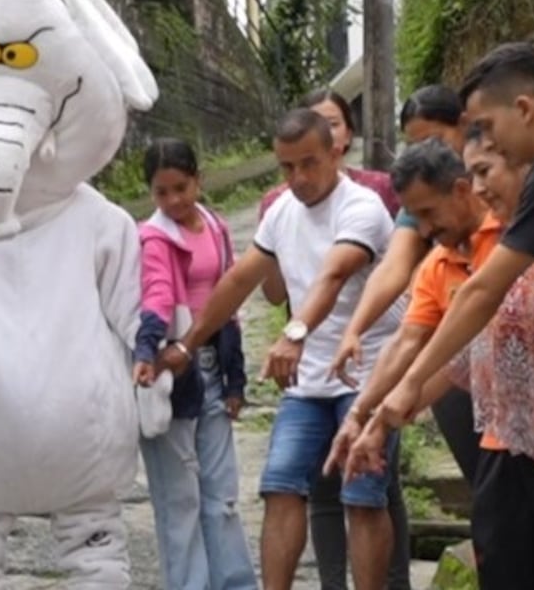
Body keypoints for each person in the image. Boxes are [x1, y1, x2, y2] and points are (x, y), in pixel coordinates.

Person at [370, 42, 534, 564]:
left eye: (486, 125)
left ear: (523, 109)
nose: (482, 146)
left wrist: (409, 383)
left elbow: (483, 293)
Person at [333, 135, 534, 588]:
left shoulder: (527, 239)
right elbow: (430, 349)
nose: (423, 230)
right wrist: (370, 417)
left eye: (428, 213)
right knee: (503, 566)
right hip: (505, 440)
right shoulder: (437, 265)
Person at [173, 109, 404, 590]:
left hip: (368, 374)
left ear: (336, 153)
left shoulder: (360, 207)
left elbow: (335, 273)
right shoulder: (281, 211)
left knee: (362, 497)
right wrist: (187, 345)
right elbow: (239, 279)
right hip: (308, 384)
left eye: (308, 163)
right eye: (287, 167)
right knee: (279, 486)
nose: (297, 178)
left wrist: (294, 333)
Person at [332, 85, 481, 488]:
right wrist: (355, 330)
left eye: (434, 139)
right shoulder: (436, 248)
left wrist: (387, 410)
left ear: (465, 127)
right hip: (453, 371)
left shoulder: (509, 221)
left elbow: (481, 319)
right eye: (414, 144)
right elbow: (396, 275)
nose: (427, 228)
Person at [132, 138, 255, 590]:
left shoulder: (216, 227)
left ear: (198, 180)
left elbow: (231, 300)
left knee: (222, 494)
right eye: (162, 193)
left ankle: (235, 582)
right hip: (172, 371)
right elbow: (158, 293)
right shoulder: (155, 237)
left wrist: (235, 379)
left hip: (211, 365)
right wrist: (147, 350)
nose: (174, 201)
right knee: (179, 498)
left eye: (181, 188)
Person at [259, 88, 401, 218]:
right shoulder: (276, 203)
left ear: (349, 134)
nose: (325, 132)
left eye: (333, 124)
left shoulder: (382, 188)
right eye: (314, 125)